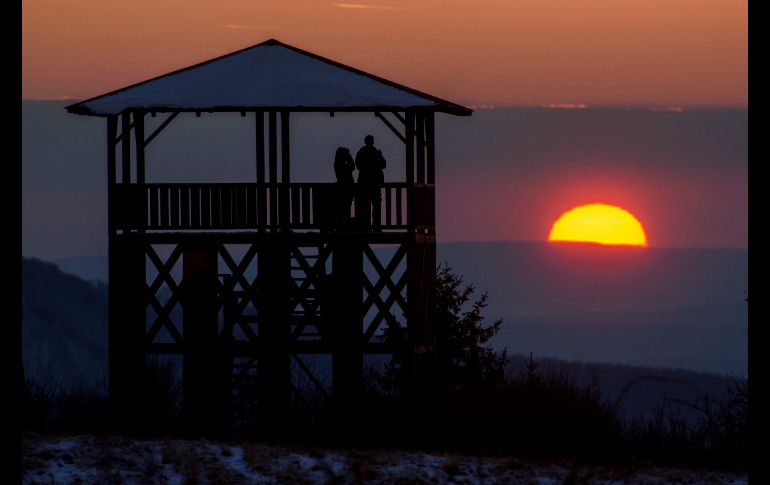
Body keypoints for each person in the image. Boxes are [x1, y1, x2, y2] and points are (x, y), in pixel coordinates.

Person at [355, 134, 386, 230]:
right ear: (372, 142)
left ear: (365, 141)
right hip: (375, 183)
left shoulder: (361, 152)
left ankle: (366, 226)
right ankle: (376, 226)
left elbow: (358, 165)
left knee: (365, 205)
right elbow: (384, 165)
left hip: (364, 183)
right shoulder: (376, 152)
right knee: (376, 205)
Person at [333, 146, 355, 228]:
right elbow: (352, 167)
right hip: (347, 188)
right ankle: (344, 224)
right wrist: (349, 158)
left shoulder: (337, 163)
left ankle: (342, 224)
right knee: (346, 207)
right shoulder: (342, 164)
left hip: (341, 187)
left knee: (342, 207)